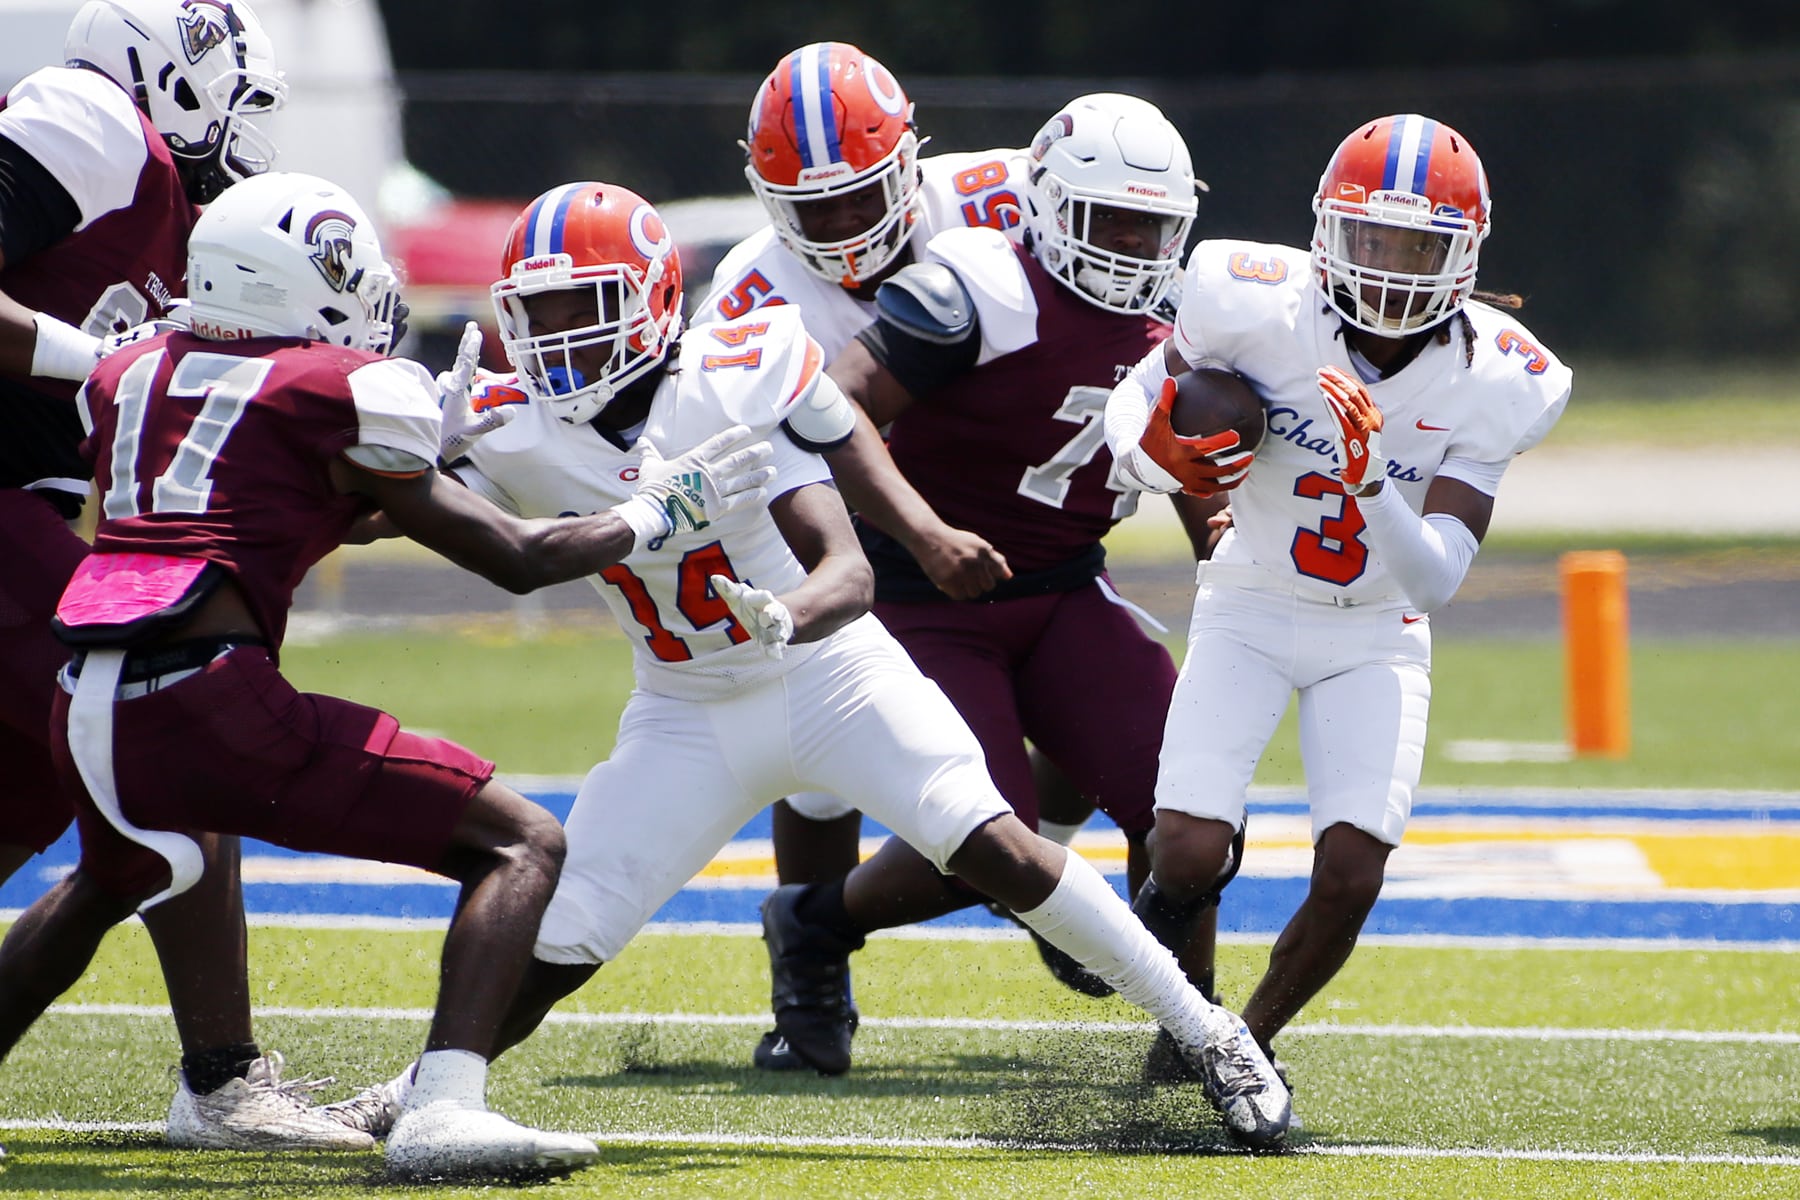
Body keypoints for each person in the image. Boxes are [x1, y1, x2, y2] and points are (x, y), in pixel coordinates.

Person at [338, 179, 1290, 1151]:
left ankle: (1207, 1030)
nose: (563, 335)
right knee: (570, 925)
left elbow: (843, 566)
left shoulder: (733, 371)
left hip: (829, 673)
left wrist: (806, 602)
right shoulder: (509, 416)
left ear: (655, 299)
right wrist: (407, 460)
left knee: (991, 842)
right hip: (685, 710)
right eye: (541, 312)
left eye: (588, 305)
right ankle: (422, 1092)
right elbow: (371, 521)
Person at [0, 169, 776, 1180]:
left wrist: (418, 464)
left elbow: (272, 503)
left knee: (116, 877)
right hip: (207, 696)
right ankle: (445, 1108)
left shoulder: (131, 371)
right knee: (524, 843)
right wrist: (656, 512)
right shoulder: (342, 390)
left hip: (85, 692)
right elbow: (518, 559)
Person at [1101, 113, 1571, 1101]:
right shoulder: (1252, 303)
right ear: (1327, 233)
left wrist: (1368, 484)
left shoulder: (1501, 376)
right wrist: (1159, 457)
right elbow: (1132, 404)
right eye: (1374, 239)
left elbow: (1435, 577)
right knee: (1185, 848)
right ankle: (1182, 1004)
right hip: (1252, 598)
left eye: (1418, 246)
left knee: (1353, 870)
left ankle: (1243, 1039)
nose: (1394, 268)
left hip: (1374, 631)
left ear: (1465, 256)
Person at [0, 0, 381, 1151]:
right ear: (167, 71)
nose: (242, 130)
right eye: (233, 92)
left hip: (27, 510)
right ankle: (223, 1080)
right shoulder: (91, 116)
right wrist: (102, 359)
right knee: (171, 720)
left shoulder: (169, 212)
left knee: (51, 804)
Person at [771, 93, 1223, 1040]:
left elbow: (1187, 437)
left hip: (1062, 586)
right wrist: (927, 533)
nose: (1134, 247)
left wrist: (1217, 548)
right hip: (921, 595)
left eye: (1156, 227)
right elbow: (829, 404)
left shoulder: (1188, 308)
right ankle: (815, 921)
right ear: (1050, 206)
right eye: (1112, 221)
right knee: (981, 843)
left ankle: (1191, 1035)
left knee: (1191, 809)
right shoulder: (976, 286)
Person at [700, 43, 1118, 1052]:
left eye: (860, 197)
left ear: (910, 164)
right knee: (816, 757)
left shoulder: (1008, 190)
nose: (843, 224)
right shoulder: (749, 296)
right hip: (844, 531)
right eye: (816, 207)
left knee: (1094, 722)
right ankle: (811, 987)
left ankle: (1043, 864)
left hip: (1006, 513)